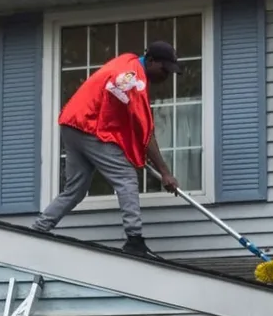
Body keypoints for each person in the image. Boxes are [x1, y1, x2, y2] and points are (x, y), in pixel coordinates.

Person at [32, 40, 180, 254]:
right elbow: (145, 133)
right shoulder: (133, 80)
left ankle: (39, 229)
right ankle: (134, 240)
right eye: (164, 70)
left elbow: (122, 119)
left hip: (72, 123)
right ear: (151, 61)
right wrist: (166, 173)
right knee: (126, 178)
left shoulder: (127, 61)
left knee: (75, 190)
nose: (166, 76)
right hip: (88, 125)